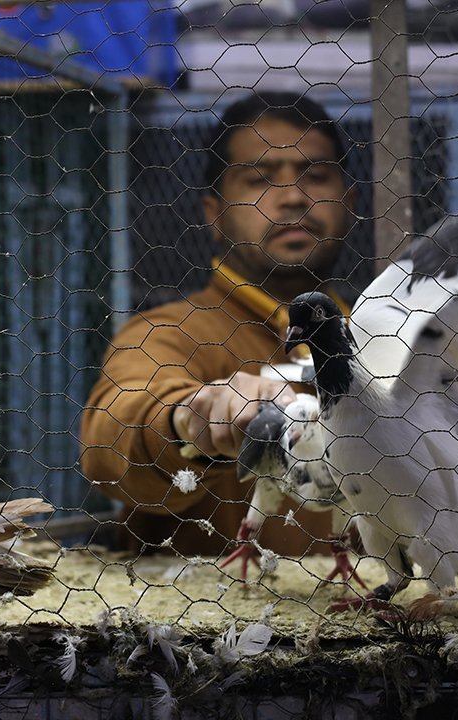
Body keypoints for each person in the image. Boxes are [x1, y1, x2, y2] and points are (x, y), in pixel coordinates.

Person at [80, 91, 356, 556]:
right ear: (214, 213)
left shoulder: (384, 341)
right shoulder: (166, 333)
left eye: (316, 176)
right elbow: (109, 440)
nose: (293, 197)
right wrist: (188, 418)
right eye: (259, 179)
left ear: (349, 202)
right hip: (216, 602)